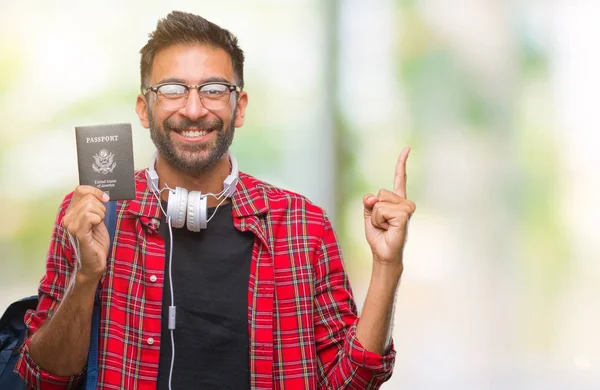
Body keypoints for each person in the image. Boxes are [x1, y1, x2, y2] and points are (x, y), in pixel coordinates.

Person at [15, 10, 416, 390]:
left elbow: (351, 381)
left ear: (238, 108)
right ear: (144, 108)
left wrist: (387, 265)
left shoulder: (301, 224)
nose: (193, 109)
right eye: (172, 90)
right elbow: (44, 379)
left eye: (213, 90)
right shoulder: (93, 215)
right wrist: (86, 275)